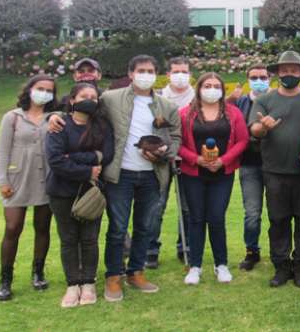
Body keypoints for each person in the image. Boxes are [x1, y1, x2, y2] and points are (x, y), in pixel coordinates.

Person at [49, 55, 181, 302]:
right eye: (141, 70)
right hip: (120, 174)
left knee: (145, 227)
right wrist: (52, 117)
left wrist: (165, 153)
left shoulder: (167, 105)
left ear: (157, 74)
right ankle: (113, 276)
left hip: (153, 175)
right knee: (118, 228)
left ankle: (137, 272)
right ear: (131, 73)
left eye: (150, 71)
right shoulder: (111, 98)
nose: (146, 74)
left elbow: (175, 136)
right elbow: (78, 106)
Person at [248, 51, 300, 288]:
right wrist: (263, 127)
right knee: (278, 220)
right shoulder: (265, 101)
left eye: (293, 70)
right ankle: (281, 266)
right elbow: (254, 131)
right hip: (274, 171)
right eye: (284, 70)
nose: (288, 74)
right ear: (277, 73)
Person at [45, 83, 114, 307]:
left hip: (91, 192)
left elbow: (108, 154)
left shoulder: (102, 125)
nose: (90, 100)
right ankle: (73, 284)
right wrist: (87, 167)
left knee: (89, 239)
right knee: (68, 239)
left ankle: (89, 282)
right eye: (84, 96)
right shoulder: (60, 125)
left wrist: (73, 156)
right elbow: (55, 160)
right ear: (73, 99)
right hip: (62, 192)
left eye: (94, 97)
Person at [178, 73, 249, 285]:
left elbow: (242, 140)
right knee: (196, 219)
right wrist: (196, 159)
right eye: (207, 85)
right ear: (199, 88)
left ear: (222, 89)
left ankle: (222, 264)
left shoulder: (233, 113)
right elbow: (178, 143)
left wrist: (224, 160)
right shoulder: (185, 114)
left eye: (216, 85)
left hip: (222, 174)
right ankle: (195, 266)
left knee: (217, 218)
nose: (211, 89)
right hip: (194, 174)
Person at [0, 75, 57, 301]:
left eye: (48, 90)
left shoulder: (54, 117)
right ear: (30, 89)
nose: (44, 93)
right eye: (40, 88)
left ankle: (38, 272)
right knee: (13, 228)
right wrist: (3, 180)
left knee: (43, 227)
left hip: (46, 178)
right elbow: (2, 151)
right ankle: (5, 278)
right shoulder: (12, 117)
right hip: (18, 178)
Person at [148, 56, 195, 268]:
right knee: (156, 207)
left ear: (190, 74)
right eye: (176, 72)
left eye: (184, 72)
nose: (180, 76)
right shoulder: (156, 99)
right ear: (168, 75)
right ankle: (150, 249)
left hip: (188, 160)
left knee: (187, 207)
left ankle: (184, 247)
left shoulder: (197, 99)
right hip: (161, 161)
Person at [233, 64, 271, 271]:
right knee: (252, 213)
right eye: (254, 77)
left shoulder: (275, 100)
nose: (259, 80)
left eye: (263, 77)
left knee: (278, 212)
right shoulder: (240, 102)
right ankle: (252, 251)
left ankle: (279, 251)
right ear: (248, 80)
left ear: (269, 79)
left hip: (274, 164)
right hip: (249, 165)